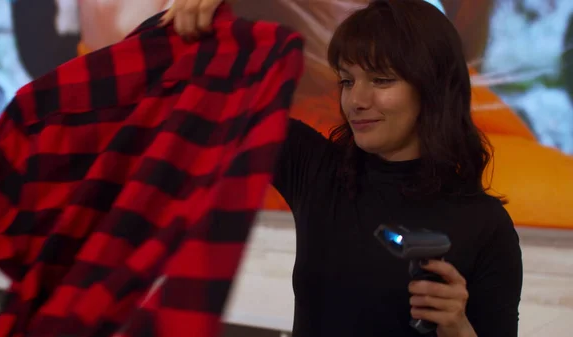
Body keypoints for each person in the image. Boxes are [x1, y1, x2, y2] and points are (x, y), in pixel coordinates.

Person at [161, 1, 523, 336]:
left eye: (381, 80)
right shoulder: (318, 170)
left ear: (433, 88)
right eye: (347, 81)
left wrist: (458, 327)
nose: (356, 101)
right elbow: (210, 94)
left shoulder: (486, 226)